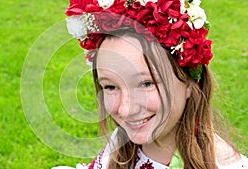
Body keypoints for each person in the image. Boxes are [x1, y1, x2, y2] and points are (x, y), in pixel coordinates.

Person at [53, 0, 248, 168]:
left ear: (189, 81)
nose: (126, 109)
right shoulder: (120, 148)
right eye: (110, 87)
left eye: (146, 83)